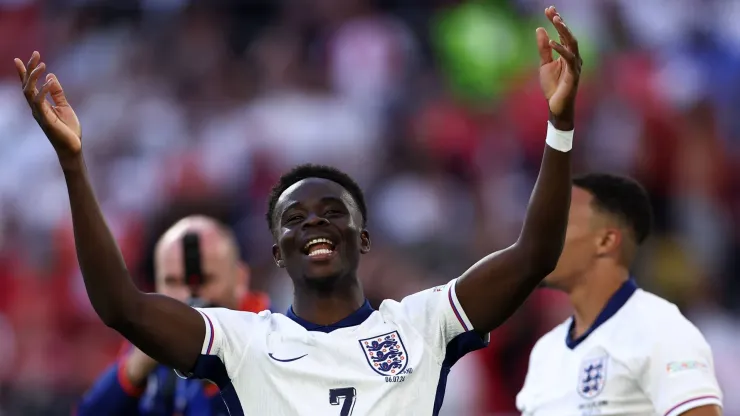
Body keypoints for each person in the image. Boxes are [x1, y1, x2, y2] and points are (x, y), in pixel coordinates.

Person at [16, 6, 582, 414]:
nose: (313, 221)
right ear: (276, 253)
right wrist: (74, 165)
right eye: (293, 218)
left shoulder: (423, 323)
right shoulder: (241, 341)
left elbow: (534, 255)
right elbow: (121, 307)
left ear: (363, 238)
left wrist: (559, 126)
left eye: (332, 211)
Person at [516, 173, 723, 416]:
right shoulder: (545, 352)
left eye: (559, 225)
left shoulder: (661, 331)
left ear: (606, 240)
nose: (541, 239)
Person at [75, 216, 270, 415]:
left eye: (205, 280)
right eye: (172, 282)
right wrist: (136, 369)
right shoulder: (154, 334)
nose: (187, 297)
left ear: (239, 279)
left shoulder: (274, 338)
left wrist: (214, 368)